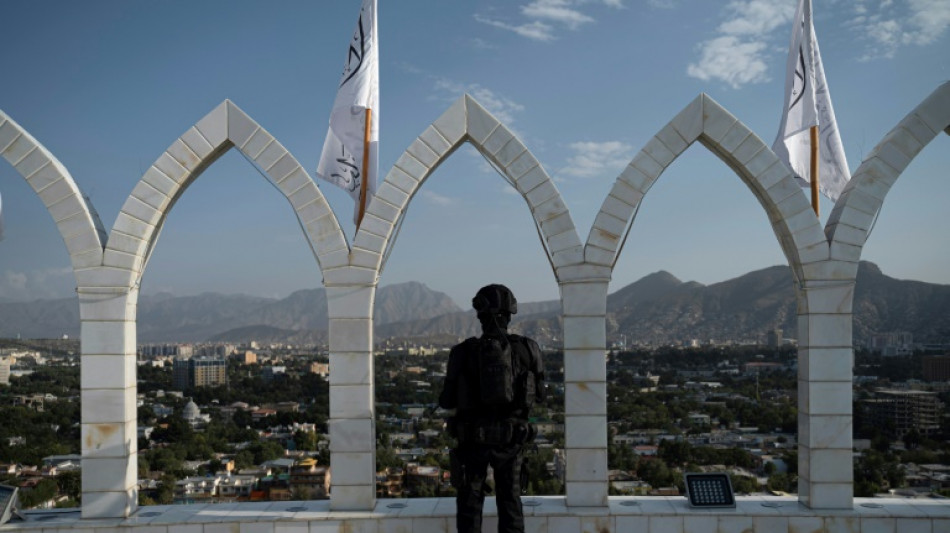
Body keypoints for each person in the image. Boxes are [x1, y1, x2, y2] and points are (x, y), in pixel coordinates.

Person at [439, 284, 545, 533]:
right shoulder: (529, 349)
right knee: (510, 504)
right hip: (511, 442)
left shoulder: (462, 352)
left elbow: (446, 401)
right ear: (509, 315)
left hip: (472, 443)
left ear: (480, 315)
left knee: (469, 507)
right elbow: (540, 396)